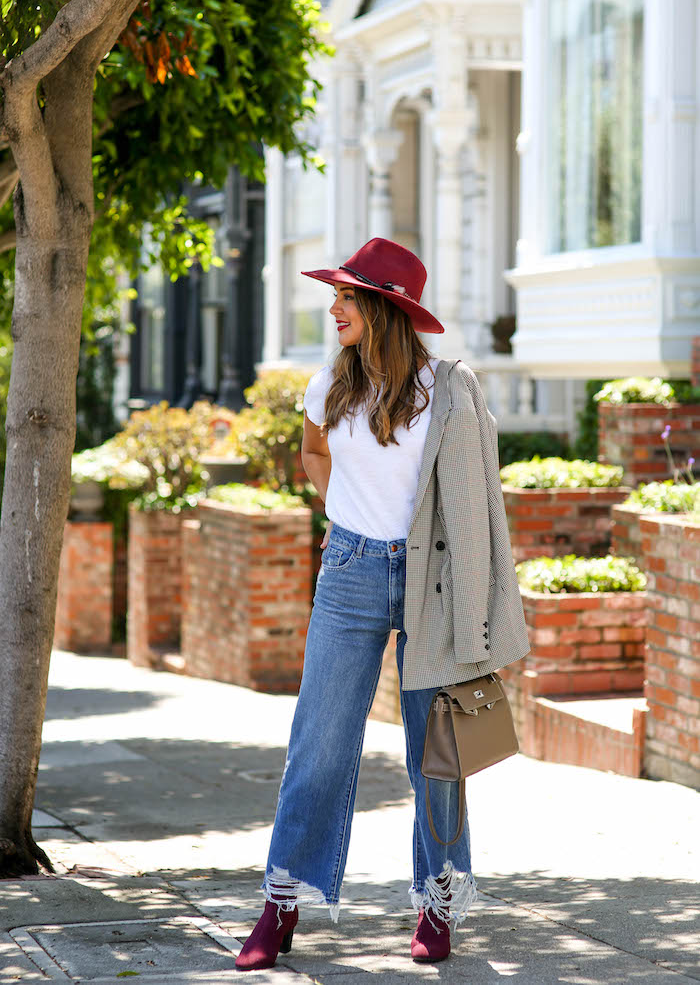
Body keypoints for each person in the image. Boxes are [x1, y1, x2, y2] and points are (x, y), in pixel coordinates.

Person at [235, 238, 530, 971]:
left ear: (383, 309)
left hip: (434, 578)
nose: (334, 308)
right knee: (321, 741)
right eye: (335, 296)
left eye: (347, 298)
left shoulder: (447, 390)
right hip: (351, 570)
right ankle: (282, 900)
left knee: (438, 750)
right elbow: (314, 455)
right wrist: (342, 512)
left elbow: (480, 501)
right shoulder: (328, 387)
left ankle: (437, 897)